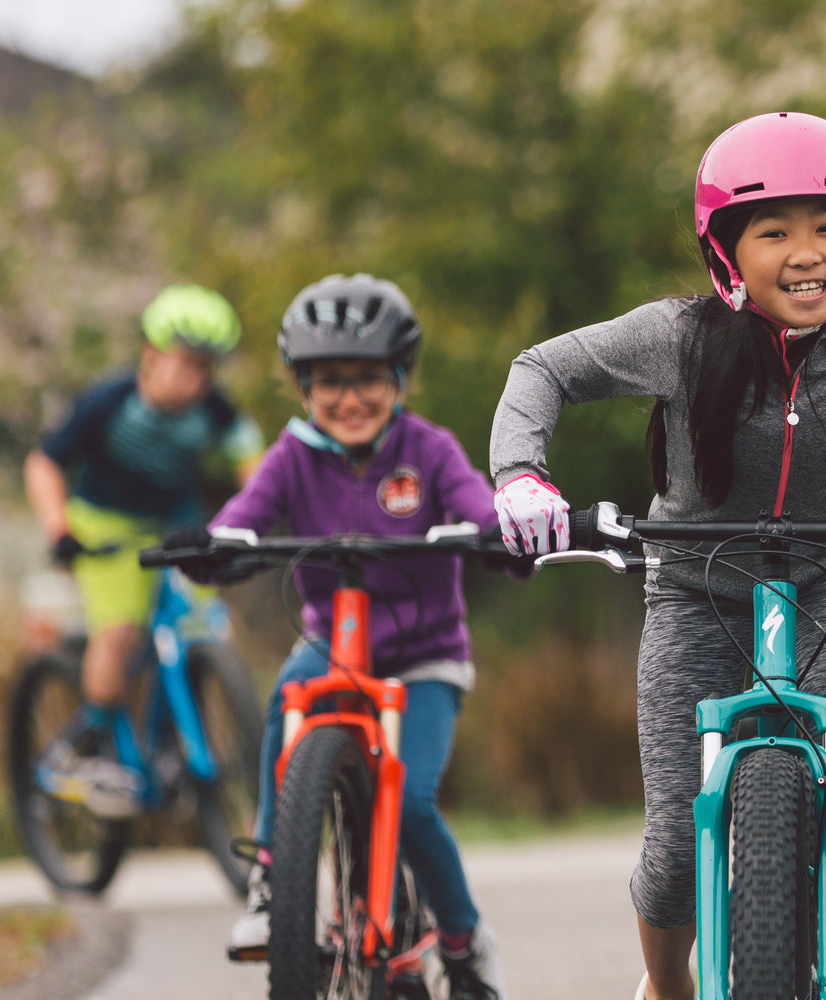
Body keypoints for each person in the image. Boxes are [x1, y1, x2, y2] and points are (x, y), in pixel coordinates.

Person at [487, 112, 826, 1000]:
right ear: (726, 254)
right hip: (694, 595)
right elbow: (539, 370)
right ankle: (665, 984)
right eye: (773, 231)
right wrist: (521, 481)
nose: (806, 251)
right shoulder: (678, 336)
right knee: (671, 841)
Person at [187, 274, 507, 1000]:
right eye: (329, 381)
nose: (350, 398)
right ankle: (274, 880)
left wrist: (492, 532)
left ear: (398, 379)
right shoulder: (293, 456)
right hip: (334, 640)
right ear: (303, 386)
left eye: (368, 379)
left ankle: (461, 946)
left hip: (425, 657)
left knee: (416, 801)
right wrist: (218, 542)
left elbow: (475, 503)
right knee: (288, 698)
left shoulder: (426, 449)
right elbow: (247, 511)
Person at [23, 283, 264, 818]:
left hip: (177, 527)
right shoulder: (108, 401)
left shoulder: (215, 410)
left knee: (202, 626)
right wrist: (59, 528)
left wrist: (256, 518)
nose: (195, 382)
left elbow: (255, 464)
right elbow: (43, 464)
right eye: (184, 366)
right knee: (121, 630)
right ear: (149, 356)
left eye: (207, 370)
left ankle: (178, 736)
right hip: (105, 525)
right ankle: (100, 740)